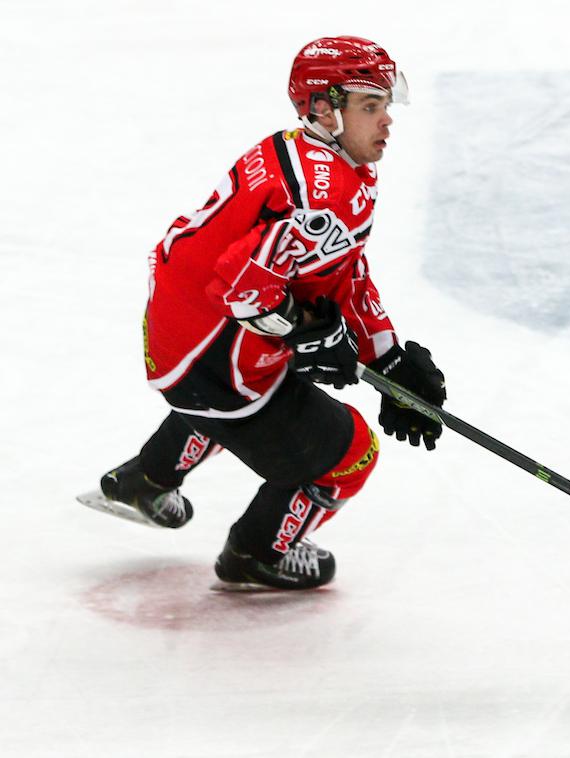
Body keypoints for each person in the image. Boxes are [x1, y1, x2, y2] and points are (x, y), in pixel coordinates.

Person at [82, 36, 446, 590]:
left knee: (261, 379)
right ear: (324, 108)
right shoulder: (323, 192)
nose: (387, 121)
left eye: (385, 106)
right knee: (352, 452)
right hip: (211, 361)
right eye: (371, 107)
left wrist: (386, 356)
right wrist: (305, 335)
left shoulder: (307, 154)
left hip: (180, 335)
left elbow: (339, 266)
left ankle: (148, 479)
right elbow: (245, 290)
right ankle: (259, 553)